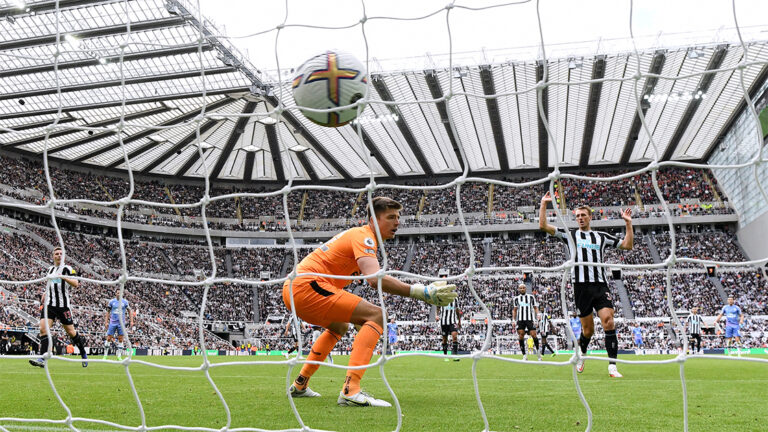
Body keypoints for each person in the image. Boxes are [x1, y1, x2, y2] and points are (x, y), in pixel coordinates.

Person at [283, 196, 457, 407]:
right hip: (306, 286)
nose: (397, 222)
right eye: (391, 217)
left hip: (297, 290)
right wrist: (419, 291)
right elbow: (375, 280)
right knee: (377, 315)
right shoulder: (364, 236)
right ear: (374, 220)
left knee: (339, 326)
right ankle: (351, 390)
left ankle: (300, 384)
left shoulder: (361, 237)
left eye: (398, 217)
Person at [540, 193, 634, 378]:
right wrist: (544, 204)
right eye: (577, 216)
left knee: (608, 321)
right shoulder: (570, 235)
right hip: (581, 287)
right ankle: (582, 353)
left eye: (583, 215)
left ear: (590, 217)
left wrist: (628, 223)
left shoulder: (601, 236)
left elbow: (627, 246)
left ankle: (612, 366)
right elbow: (543, 226)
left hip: (600, 286)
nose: (580, 218)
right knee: (588, 330)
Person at [30, 247, 88, 368]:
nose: (59, 255)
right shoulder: (50, 269)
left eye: (61, 254)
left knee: (71, 332)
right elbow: (49, 283)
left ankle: (83, 353)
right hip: (50, 305)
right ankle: (43, 358)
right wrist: (45, 293)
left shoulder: (68, 269)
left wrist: (63, 277)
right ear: (53, 256)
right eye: (56, 253)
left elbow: (76, 283)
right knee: (43, 329)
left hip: (63, 306)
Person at [512, 283, 541, 361]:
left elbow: (535, 307)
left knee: (533, 335)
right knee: (521, 335)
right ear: (518, 289)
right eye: (520, 288)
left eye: (523, 288)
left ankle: (538, 354)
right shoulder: (516, 299)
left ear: (525, 289)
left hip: (530, 319)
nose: (522, 289)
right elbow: (514, 310)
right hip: (520, 320)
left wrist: (537, 315)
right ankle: (524, 355)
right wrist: (513, 320)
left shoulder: (531, 297)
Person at [103, 289, 134, 360]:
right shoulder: (111, 302)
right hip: (112, 323)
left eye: (120, 293)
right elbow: (107, 312)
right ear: (115, 294)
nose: (119, 294)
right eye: (117, 293)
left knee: (120, 339)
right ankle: (105, 355)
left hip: (121, 324)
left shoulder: (125, 302)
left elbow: (130, 311)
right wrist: (106, 322)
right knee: (108, 338)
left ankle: (119, 356)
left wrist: (131, 321)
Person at [437, 295, 461, 362]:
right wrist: (436, 315)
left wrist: (459, 321)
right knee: (444, 339)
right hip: (444, 322)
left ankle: (455, 355)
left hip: (453, 321)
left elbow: (457, 310)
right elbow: (438, 307)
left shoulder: (455, 299)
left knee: (454, 336)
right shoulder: (441, 297)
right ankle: (445, 355)